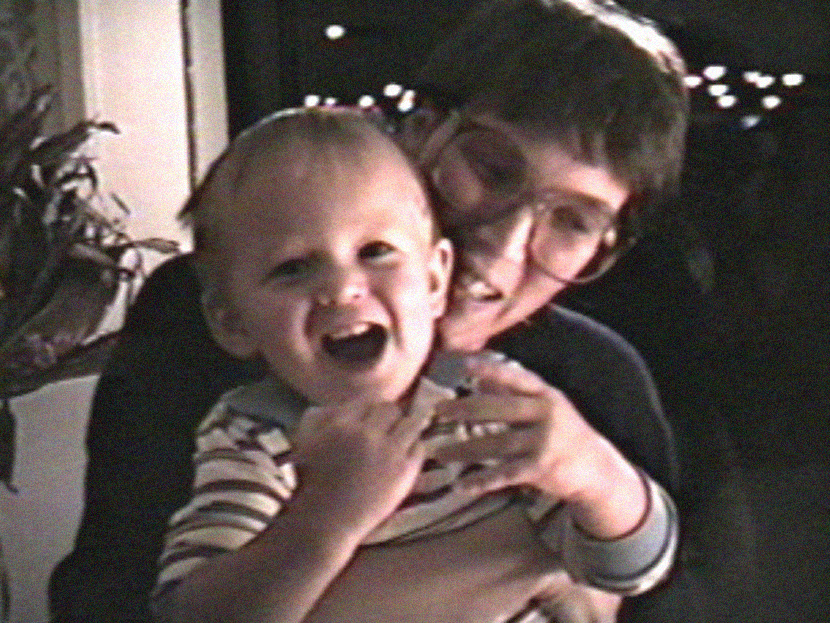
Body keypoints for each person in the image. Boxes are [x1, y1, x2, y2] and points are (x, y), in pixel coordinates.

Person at [50, 1, 700, 621]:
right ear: (421, 129)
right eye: (493, 169)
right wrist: (522, 562)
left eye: (574, 221)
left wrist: (596, 480)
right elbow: (123, 604)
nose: (505, 247)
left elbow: (649, 584)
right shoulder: (213, 344)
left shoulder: (588, 382)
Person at [149, 106, 677, 623]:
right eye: (292, 268)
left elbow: (628, 570)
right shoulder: (254, 437)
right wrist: (326, 516)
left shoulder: (489, 401)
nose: (342, 288)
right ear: (232, 322)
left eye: (375, 251)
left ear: (434, 279)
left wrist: (594, 473)